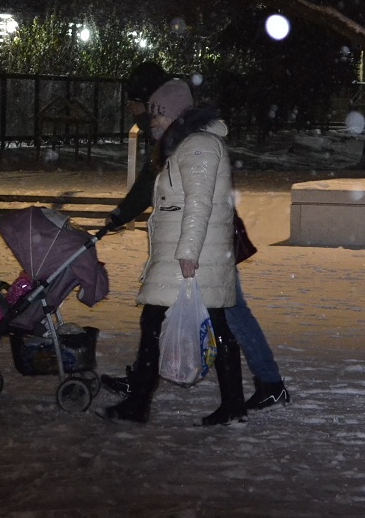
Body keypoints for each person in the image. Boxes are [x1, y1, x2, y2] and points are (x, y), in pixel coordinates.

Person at [103, 69, 290, 414]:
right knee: (216, 321)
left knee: (213, 319)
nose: (145, 116)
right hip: (200, 248)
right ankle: (238, 397)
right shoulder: (178, 143)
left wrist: (187, 250)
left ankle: (143, 398)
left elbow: (198, 201)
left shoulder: (196, 145)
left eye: (152, 110)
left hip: (199, 250)